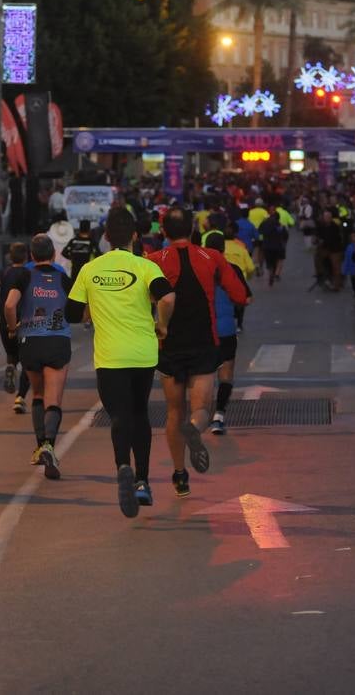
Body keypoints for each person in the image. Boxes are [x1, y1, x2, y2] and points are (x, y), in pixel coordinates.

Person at [67, 206, 175, 517]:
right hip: (143, 354)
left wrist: (95, 309)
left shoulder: (90, 270)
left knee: (119, 416)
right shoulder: (145, 267)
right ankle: (142, 481)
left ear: (105, 237)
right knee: (140, 414)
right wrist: (163, 324)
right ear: (135, 236)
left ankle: (122, 467)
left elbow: (73, 313)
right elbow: (167, 298)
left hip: (110, 356)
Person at [148, 207, 249, 498]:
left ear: (163, 232)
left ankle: (180, 475)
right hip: (205, 344)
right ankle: (195, 428)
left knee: (172, 412)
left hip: (169, 345)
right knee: (201, 408)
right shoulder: (213, 257)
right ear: (193, 228)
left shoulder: (154, 260)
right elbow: (240, 295)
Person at [3, 234, 72, 478]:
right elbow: (78, 309)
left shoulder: (24, 275)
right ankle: (49, 445)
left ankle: (39, 445)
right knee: (54, 398)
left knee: (38, 394)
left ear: (32, 255)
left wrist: (13, 328)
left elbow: (10, 305)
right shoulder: (63, 278)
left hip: (30, 341)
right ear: (54, 254)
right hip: (57, 341)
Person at [200, 231, 253, 435]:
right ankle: (219, 416)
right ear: (224, 248)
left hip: (203, 329)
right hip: (225, 329)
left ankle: (199, 416)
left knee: (204, 375)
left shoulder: (199, 269)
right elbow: (246, 298)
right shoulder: (232, 270)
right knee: (226, 375)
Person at [0, 241, 32, 411]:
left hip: (5, 318)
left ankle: (11, 367)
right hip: (24, 320)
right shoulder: (28, 273)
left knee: (12, 353)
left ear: (9, 256)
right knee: (27, 360)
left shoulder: (3, 271)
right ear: (27, 256)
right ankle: (20, 397)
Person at [259, 208, 287, 286]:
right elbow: (285, 236)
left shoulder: (264, 223)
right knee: (278, 260)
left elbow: (259, 231)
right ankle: (275, 273)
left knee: (269, 262)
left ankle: (270, 272)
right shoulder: (280, 225)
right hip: (278, 246)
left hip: (267, 246)